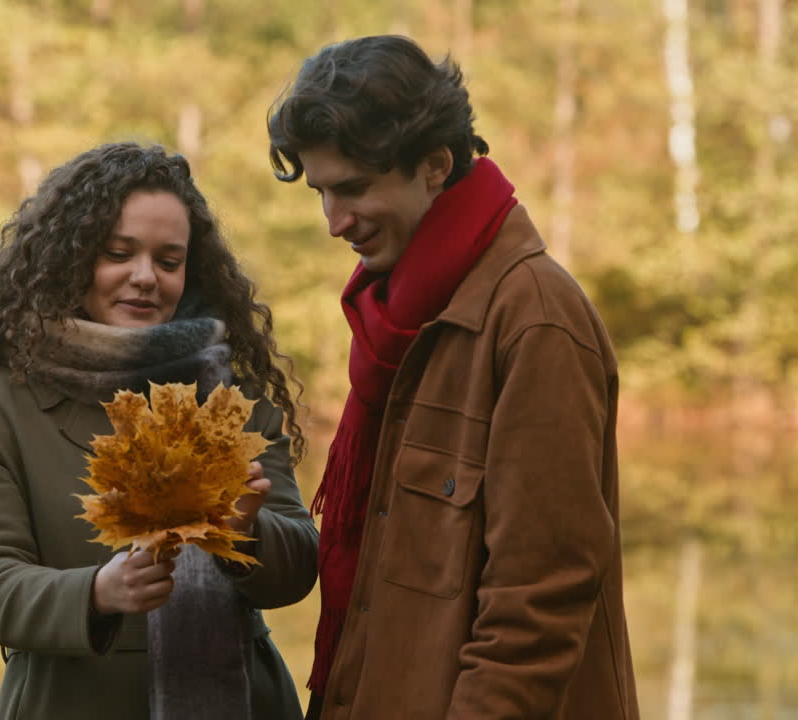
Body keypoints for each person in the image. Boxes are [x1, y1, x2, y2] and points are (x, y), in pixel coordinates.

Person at [267, 35, 639, 719]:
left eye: (352, 189)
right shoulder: (394, 317)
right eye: (321, 192)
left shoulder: (535, 320)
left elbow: (538, 606)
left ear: (435, 165)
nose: (333, 222)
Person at [0, 142, 317, 720]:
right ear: (68, 258)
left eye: (168, 260)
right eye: (118, 253)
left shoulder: (235, 401)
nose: (144, 277)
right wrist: (98, 592)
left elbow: (301, 566)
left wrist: (246, 536)